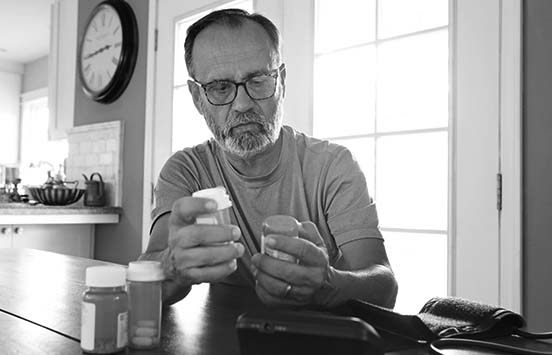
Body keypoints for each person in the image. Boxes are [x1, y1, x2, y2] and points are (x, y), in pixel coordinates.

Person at [141, 8, 398, 309]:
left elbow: (384, 286)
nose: (242, 104)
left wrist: (328, 282)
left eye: (258, 80)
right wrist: (171, 266)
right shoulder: (185, 171)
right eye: (220, 88)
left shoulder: (333, 165)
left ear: (282, 82)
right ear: (198, 98)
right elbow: (149, 273)